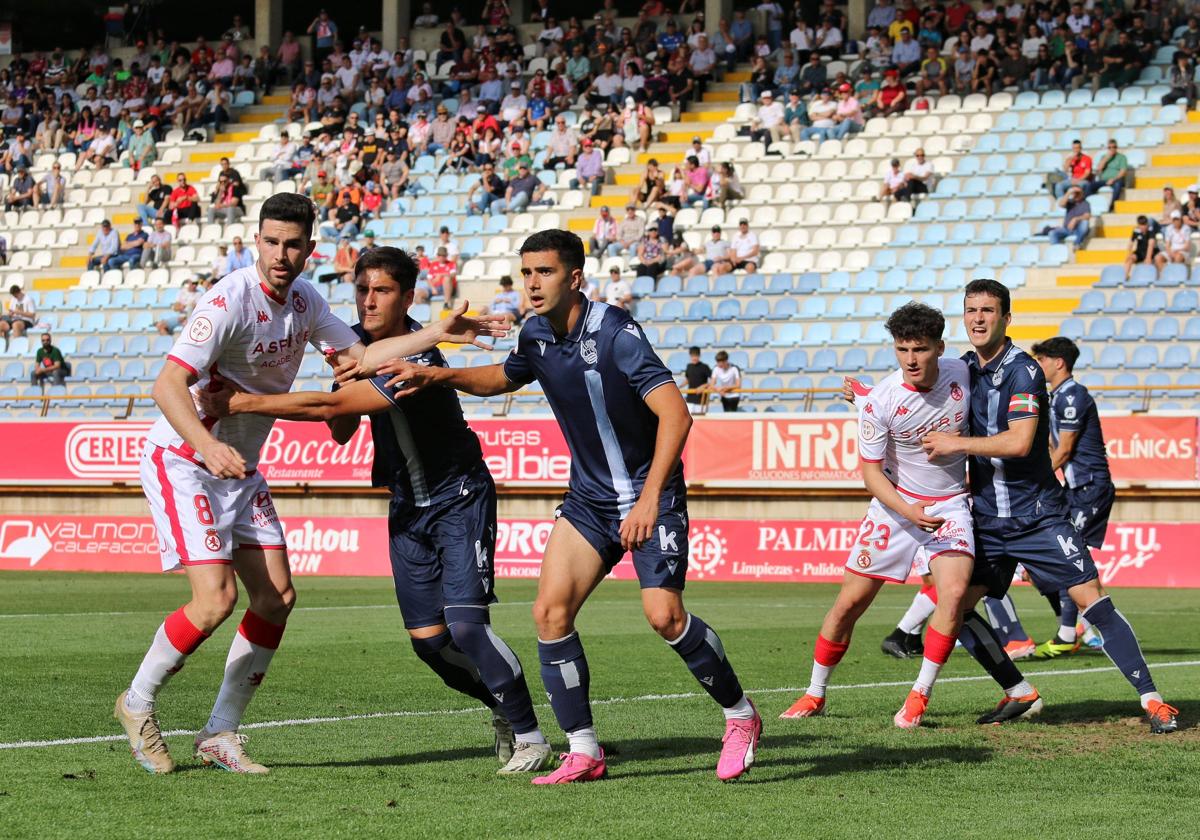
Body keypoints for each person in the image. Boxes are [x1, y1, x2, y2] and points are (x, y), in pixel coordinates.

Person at [112, 193, 511, 776]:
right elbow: (168, 385)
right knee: (216, 600)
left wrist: (438, 332)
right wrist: (208, 444)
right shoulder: (227, 299)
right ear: (257, 241)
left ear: (309, 249)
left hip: (242, 469)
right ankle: (137, 703)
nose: (280, 254)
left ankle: (220, 732)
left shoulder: (305, 300)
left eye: (292, 244)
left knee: (276, 598)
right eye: (271, 242)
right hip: (185, 460)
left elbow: (364, 359)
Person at [376, 229, 762, 783]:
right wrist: (440, 374)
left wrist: (650, 500)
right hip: (588, 501)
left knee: (664, 616)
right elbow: (503, 379)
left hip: (649, 495)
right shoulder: (534, 333)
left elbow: (677, 416)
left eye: (545, 272)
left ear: (574, 277)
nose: (532, 284)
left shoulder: (617, 334)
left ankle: (740, 715)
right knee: (550, 614)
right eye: (527, 272)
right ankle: (584, 751)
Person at [197, 247, 551, 776]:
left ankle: (532, 737)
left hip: (459, 499)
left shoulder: (421, 357)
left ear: (407, 297)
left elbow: (331, 410)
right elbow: (340, 431)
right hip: (407, 508)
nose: (367, 300)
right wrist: (343, 374)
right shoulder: (357, 348)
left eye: (381, 290)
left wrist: (242, 402)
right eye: (361, 290)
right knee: (430, 644)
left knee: (468, 628)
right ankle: (502, 707)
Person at [917, 279, 1177, 733]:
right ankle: (1019, 692)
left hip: (1038, 515)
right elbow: (916, 385)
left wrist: (955, 442)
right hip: (987, 520)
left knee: (1092, 600)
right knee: (951, 607)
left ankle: (1153, 701)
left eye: (988, 311)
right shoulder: (961, 368)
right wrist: (868, 399)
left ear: (1006, 318)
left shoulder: (1025, 371)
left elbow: (1019, 443)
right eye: (971, 310)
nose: (978, 318)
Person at [780, 303, 975, 728]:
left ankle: (919, 695)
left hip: (949, 505)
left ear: (939, 348)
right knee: (849, 603)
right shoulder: (881, 401)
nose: (910, 359)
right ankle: (815, 693)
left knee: (954, 593)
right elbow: (870, 474)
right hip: (896, 506)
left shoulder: (963, 372)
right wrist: (908, 510)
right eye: (902, 349)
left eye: (920, 349)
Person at [1026, 336, 1114, 657]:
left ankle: (1069, 634)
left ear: (1058, 362)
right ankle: (1087, 630)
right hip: (1074, 490)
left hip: (1090, 487)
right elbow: (1052, 448)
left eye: (1042, 360)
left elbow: (1063, 451)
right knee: (1051, 557)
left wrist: (1033, 480)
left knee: (1069, 556)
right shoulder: (1054, 397)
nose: (1038, 365)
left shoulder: (1073, 396)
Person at [1090, 139, 1128, 206]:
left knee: (1117, 185)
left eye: (1114, 147)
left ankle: (1112, 206)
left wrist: (1113, 179)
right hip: (1104, 180)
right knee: (1090, 185)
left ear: (1116, 147)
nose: (1112, 149)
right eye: (1109, 147)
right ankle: (1089, 204)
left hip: (1116, 180)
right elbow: (1099, 169)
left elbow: (1123, 172)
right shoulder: (1104, 157)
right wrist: (1106, 158)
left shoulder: (1122, 157)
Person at [681, 346, 711, 415]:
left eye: (696, 356)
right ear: (690, 356)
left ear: (699, 356)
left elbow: (712, 382)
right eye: (692, 356)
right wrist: (679, 386)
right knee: (690, 419)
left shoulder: (705, 367)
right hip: (690, 398)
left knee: (701, 420)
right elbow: (688, 380)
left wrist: (702, 387)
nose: (694, 358)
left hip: (701, 399)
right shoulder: (688, 366)